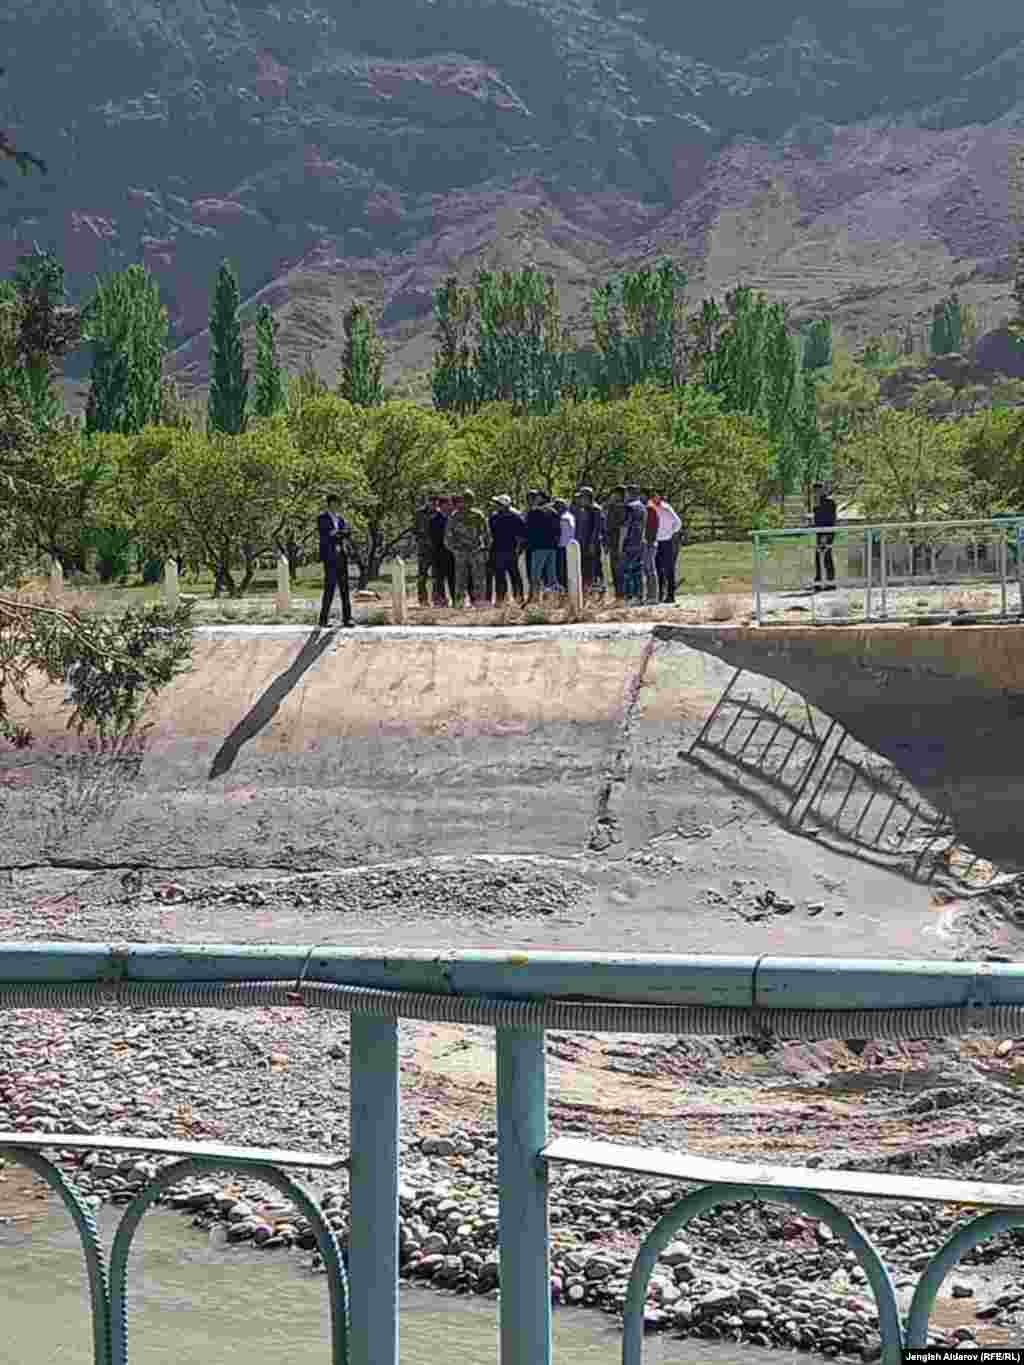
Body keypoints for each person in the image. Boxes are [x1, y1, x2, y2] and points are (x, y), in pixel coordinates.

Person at [445, 488, 490, 607]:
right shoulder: (455, 516)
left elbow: (486, 533)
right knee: (460, 578)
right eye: (465, 500)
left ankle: (479, 600)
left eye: (470, 500)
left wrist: (485, 549)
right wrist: (454, 550)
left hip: (476, 551)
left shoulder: (478, 515)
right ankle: (459, 601)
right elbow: (448, 536)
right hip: (461, 552)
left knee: (478, 577)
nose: (467, 503)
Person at [317, 493, 355, 628]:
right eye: (334, 503)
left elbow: (346, 533)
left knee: (345, 588)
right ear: (329, 504)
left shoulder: (341, 519)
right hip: (330, 557)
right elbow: (326, 535)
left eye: (338, 503)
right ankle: (323, 619)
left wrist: (337, 533)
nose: (336, 506)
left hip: (342, 556)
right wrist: (339, 533)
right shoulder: (322, 518)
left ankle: (347, 618)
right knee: (330, 588)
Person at [489, 494, 527, 604]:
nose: (496, 505)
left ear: (504, 505)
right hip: (497, 550)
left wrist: (519, 549)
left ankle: (518, 598)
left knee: (513, 574)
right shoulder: (494, 516)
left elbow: (522, 535)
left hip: (511, 550)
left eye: (498, 503)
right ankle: (501, 599)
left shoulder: (515, 516)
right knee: (500, 575)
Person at [525, 489, 559, 600]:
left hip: (538, 547)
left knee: (535, 575)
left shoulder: (533, 512)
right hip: (552, 547)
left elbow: (528, 531)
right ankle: (555, 598)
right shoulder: (554, 512)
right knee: (551, 575)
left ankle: (534, 598)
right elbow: (558, 530)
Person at [571, 487, 604, 593]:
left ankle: (598, 589)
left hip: (592, 544)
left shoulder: (595, 509)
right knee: (584, 568)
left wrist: (592, 544)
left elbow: (596, 529)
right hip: (582, 543)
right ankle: (586, 590)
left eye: (582, 497)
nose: (581, 500)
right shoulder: (583, 509)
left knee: (594, 568)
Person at [652, 493, 683, 604]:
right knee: (658, 568)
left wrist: (670, 532)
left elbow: (678, 523)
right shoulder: (651, 507)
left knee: (669, 568)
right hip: (657, 541)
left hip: (667, 541)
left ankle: (670, 595)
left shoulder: (666, 508)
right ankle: (660, 594)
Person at [620, 484, 647, 604]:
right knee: (638, 570)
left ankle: (629, 596)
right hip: (640, 541)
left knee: (627, 571)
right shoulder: (642, 507)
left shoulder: (629, 507)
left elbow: (625, 528)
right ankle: (639, 596)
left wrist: (620, 544)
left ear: (629, 493)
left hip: (629, 542)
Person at [429, 494, 454, 606]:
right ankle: (441, 600)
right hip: (439, 553)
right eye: (448, 504)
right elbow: (434, 537)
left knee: (452, 577)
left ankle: (455, 599)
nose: (450, 506)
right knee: (439, 578)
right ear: (442, 505)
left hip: (451, 553)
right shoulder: (434, 519)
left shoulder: (452, 518)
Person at [813, 482, 837, 591]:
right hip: (820, 533)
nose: (816, 493)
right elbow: (817, 519)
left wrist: (826, 535)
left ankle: (830, 582)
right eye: (815, 491)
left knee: (827, 556)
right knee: (818, 557)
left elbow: (830, 520)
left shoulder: (829, 502)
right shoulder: (817, 503)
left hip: (827, 533)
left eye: (818, 490)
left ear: (822, 490)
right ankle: (819, 582)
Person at [414, 491, 436, 607]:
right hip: (423, 550)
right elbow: (415, 530)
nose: (432, 503)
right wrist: (422, 539)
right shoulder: (419, 513)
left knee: (436, 576)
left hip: (436, 550)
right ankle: (422, 599)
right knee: (422, 576)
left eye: (434, 501)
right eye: (430, 500)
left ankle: (436, 598)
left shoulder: (438, 513)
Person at [605, 485, 627, 599]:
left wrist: (620, 545)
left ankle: (621, 594)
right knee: (614, 569)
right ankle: (618, 594)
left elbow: (622, 527)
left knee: (619, 569)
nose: (613, 496)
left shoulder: (621, 507)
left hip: (618, 541)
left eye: (615, 494)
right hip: (612, 541)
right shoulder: (611, 507)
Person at [554, 498, 576, 591]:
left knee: (564, 571)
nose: (557, 508)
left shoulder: (566, 517)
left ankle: (566, 590)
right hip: (560, 547)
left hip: (565, 547)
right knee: (560, 571)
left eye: (559, 506)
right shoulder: (563, 516)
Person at [642, 493, 660, 605]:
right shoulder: (648, 509)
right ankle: (649, 595)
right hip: (648, 542)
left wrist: (648, 541)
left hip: (649, 543)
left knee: (650, 570)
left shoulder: (650, 510)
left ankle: (653, 596)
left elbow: (652, 528)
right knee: (647, 570)